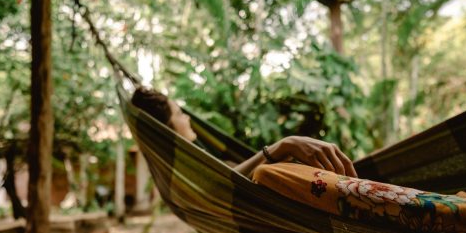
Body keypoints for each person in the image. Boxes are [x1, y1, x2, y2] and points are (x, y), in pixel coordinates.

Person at [131, 86, 357, 179]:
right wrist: (283, 146)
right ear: (165, 128)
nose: (188, 118)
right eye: (180, 114)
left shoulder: (195, 153)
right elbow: (223, 184)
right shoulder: (182, 167)